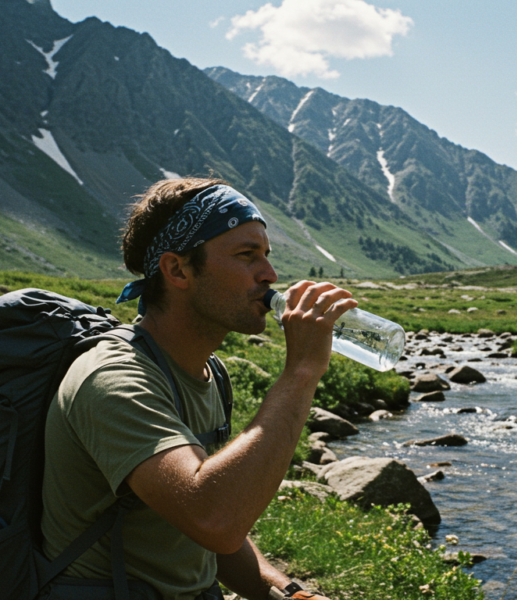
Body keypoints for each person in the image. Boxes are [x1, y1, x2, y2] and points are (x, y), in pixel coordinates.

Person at [40, 178, 352, 600]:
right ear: (178, 270)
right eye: (247, 256)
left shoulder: (209, 373)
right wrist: (300, 371)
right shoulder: (113, 378)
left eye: (266, 255)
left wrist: (289, 592)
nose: (270, 275)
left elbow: (200, 535)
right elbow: (213, 518)